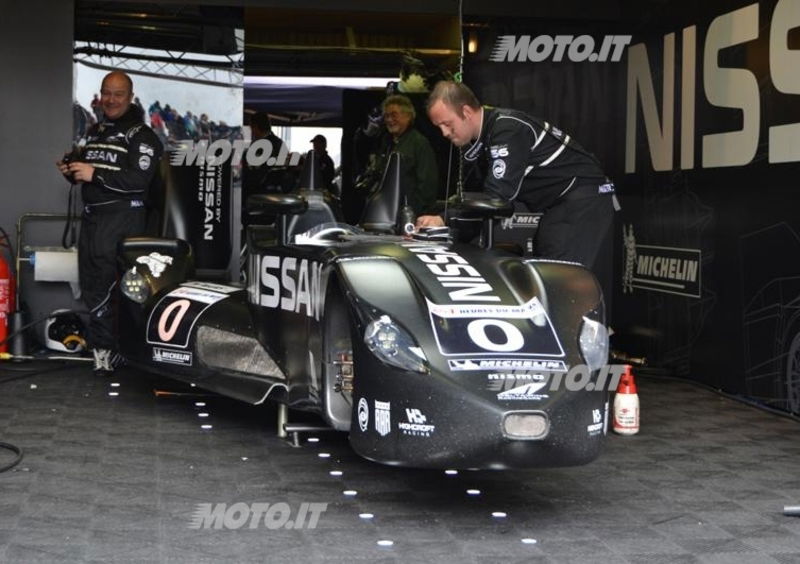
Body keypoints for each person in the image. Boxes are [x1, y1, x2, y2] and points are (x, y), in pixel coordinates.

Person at [419, 80, 616, 306]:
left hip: (582, 201)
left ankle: (587, 337)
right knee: (548, 276)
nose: (444, 133)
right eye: (439, 127)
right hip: (562, 205)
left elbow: (497, 198)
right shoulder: (488, 134)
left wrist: (444, 219)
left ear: (466, 112)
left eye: (447, 124)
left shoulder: (507, 130)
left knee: (559, 285)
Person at [56, 70, 163, 375]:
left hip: (122, 219)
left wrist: (94, 174)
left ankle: (118, 351)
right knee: (91, 285)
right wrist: (71, 170)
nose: (111, 100)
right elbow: (92, 171)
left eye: (118, 94)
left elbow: (139, 180)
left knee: (112, 288)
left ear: (130, 97)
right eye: (106, 93)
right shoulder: (96, 131)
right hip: (93, 220)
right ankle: (103, 350)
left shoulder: (141, 136)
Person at [365, 94, 439, 216]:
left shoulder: (419, 143)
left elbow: (427, 186)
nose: (389, 120)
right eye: (387, 116)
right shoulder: (385, 143)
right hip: (385, 213)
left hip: (409, 215)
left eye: (394, 115)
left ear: (408, 116)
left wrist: (414, 213)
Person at [242, 112, 289, 198]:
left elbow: (254, 175)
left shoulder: (259, 146)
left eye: (251, 127)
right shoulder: (280, 143)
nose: (252, 131)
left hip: (260, 195)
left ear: (255, 126)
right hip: (278, 192)